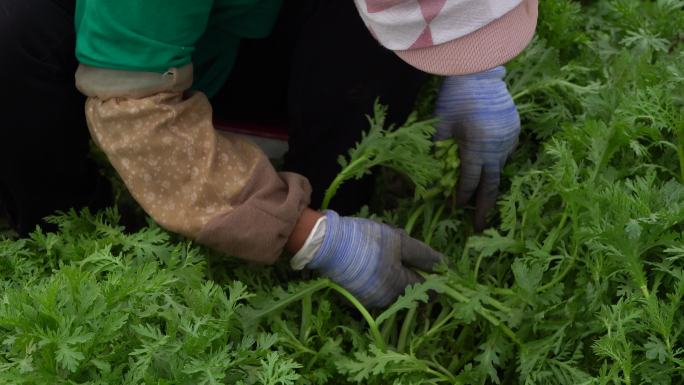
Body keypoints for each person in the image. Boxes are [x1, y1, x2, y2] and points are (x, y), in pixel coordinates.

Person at [0, 0, 537, 308]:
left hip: (241, 18)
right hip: (119, 44)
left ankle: (338, 195)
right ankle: (72, 234)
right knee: (14, 34)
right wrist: (308, 235)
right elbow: (134, 110)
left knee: (365, 46)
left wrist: (477, 64)